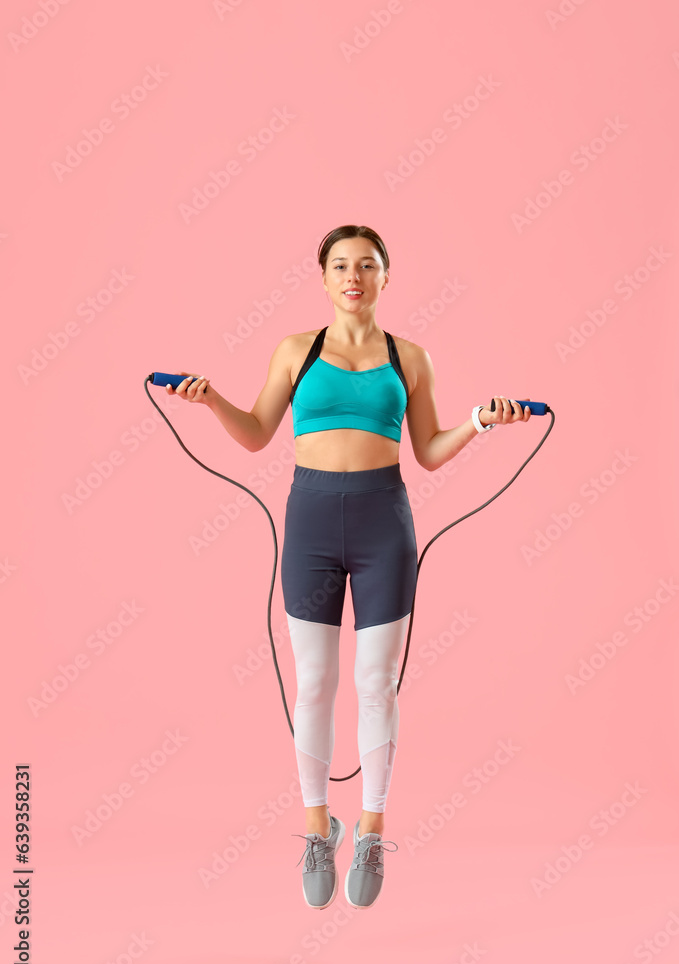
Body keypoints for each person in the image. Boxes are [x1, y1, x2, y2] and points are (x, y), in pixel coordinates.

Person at [165, 223, 531, 911]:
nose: (352, 275)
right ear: (323, 277)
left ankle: (368, 828)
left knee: (375, 685)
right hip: (308, 521)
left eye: (366, 265)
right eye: (339, 265)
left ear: (386, 276)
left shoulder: (411, 358)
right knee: (314, 683)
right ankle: (314, 827)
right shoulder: (294, 351)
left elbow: (428, 450)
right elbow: (253, 436)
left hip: (382, 523)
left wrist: (480, 420)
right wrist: (210, 399)